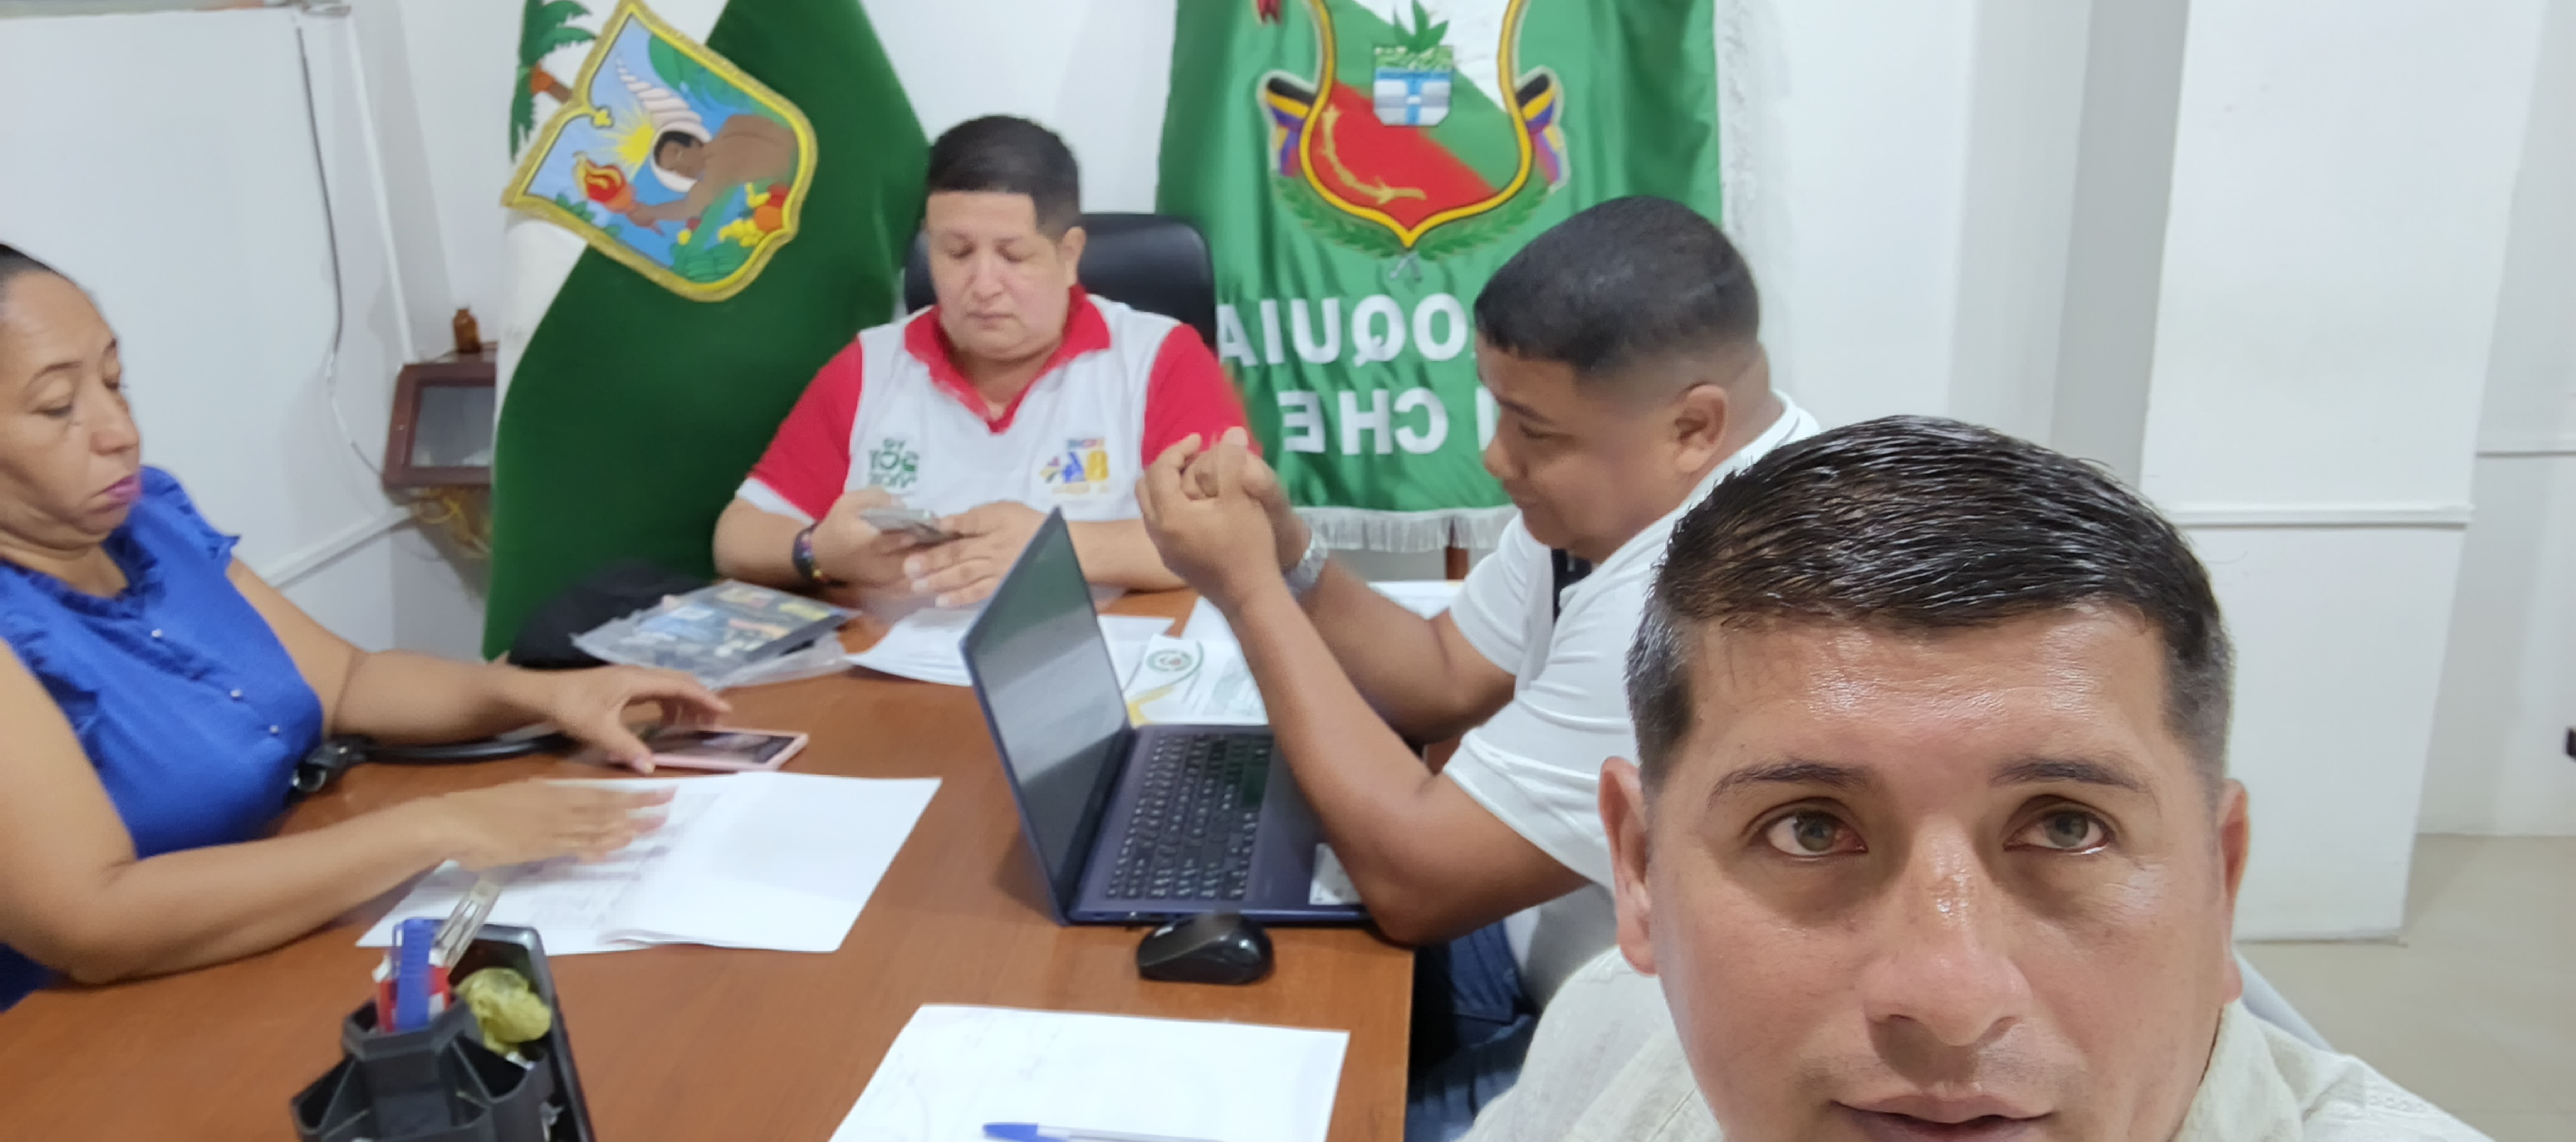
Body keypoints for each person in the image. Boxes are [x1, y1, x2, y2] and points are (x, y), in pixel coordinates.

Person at [1463, 417, 2487, 1141]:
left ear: (2221, 883)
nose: (1950, 999)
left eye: (2068, 827)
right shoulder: (1610, 1032)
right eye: (1809, 829)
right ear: (1640, 872)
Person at [1138, 197, 1819, 1135]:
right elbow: (1442, 673)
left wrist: (1247, 591)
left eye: (1535, 432)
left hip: (1616, 1051)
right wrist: (1287, 551)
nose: (1496, 456)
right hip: (1527, 940)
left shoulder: (1716, 597)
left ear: (1693, 427)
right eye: (1498, 410)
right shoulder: (1628, 493)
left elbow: (1415, 886)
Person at [0, 245, 727, 1012]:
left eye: (115, 382)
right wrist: (438, 827)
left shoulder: (151, 516)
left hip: (278, 937)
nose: (118, 430)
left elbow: (347, 679)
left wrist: (546, 694)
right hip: (105, 1030)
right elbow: (95, 921)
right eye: (58, 406)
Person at [713, 115, 1251, 609]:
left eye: (1012, 256)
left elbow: (1238, 535)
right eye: (956, 253)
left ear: (1068, 255)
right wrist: (818, 551)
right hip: (892, 665)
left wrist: (1058, 549)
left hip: (1099, 664)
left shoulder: (1158, 358)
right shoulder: (872, 365)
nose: (983, 285)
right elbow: (738, 537)